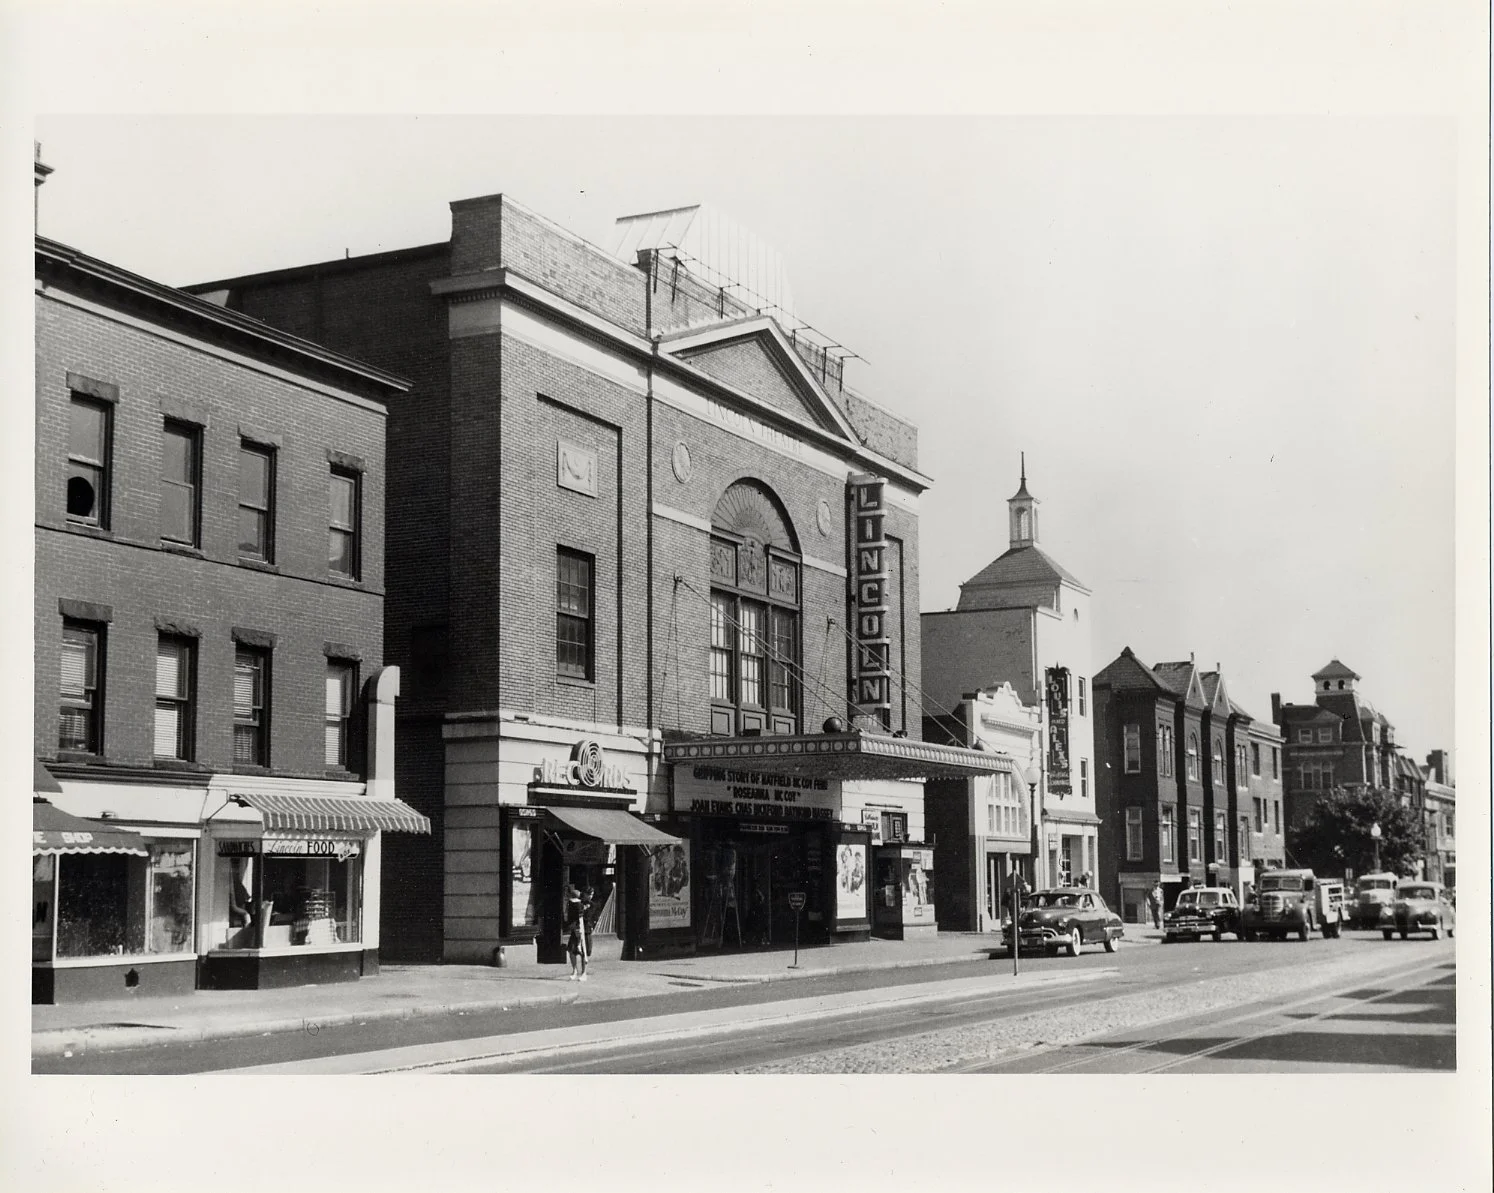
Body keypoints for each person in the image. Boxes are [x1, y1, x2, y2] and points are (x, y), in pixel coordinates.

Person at [564, 884, 589, 981]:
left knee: (582, 951)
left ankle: (584, 973)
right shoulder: (572, 904)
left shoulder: (576, 904)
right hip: (575, 929)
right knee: (571, 950)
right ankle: (574, 971)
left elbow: (580, 917)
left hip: (580, 929)